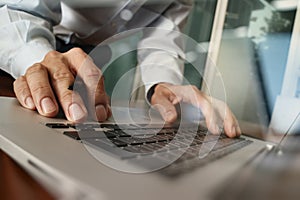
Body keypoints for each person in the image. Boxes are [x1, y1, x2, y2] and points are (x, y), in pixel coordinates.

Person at [0, 0, 241, 137]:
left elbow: (161, 35)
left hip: (89, 56)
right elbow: (18, 8)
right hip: (19, 40)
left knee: (77, 135)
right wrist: (35, 57)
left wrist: (162, 83)